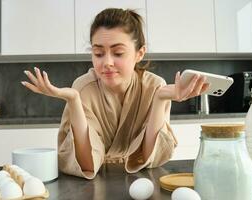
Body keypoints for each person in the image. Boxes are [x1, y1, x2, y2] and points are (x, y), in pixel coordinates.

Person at [21, 8, 208, 179]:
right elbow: (85, 164)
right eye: (98, 53)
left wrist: (160, 99)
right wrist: (74, 100)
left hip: (139, 178)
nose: (107, 62)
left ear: (139, 53)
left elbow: (148, 155)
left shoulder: (155, 87)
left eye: (118, 53)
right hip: (94, 182)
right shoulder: (83, 87)